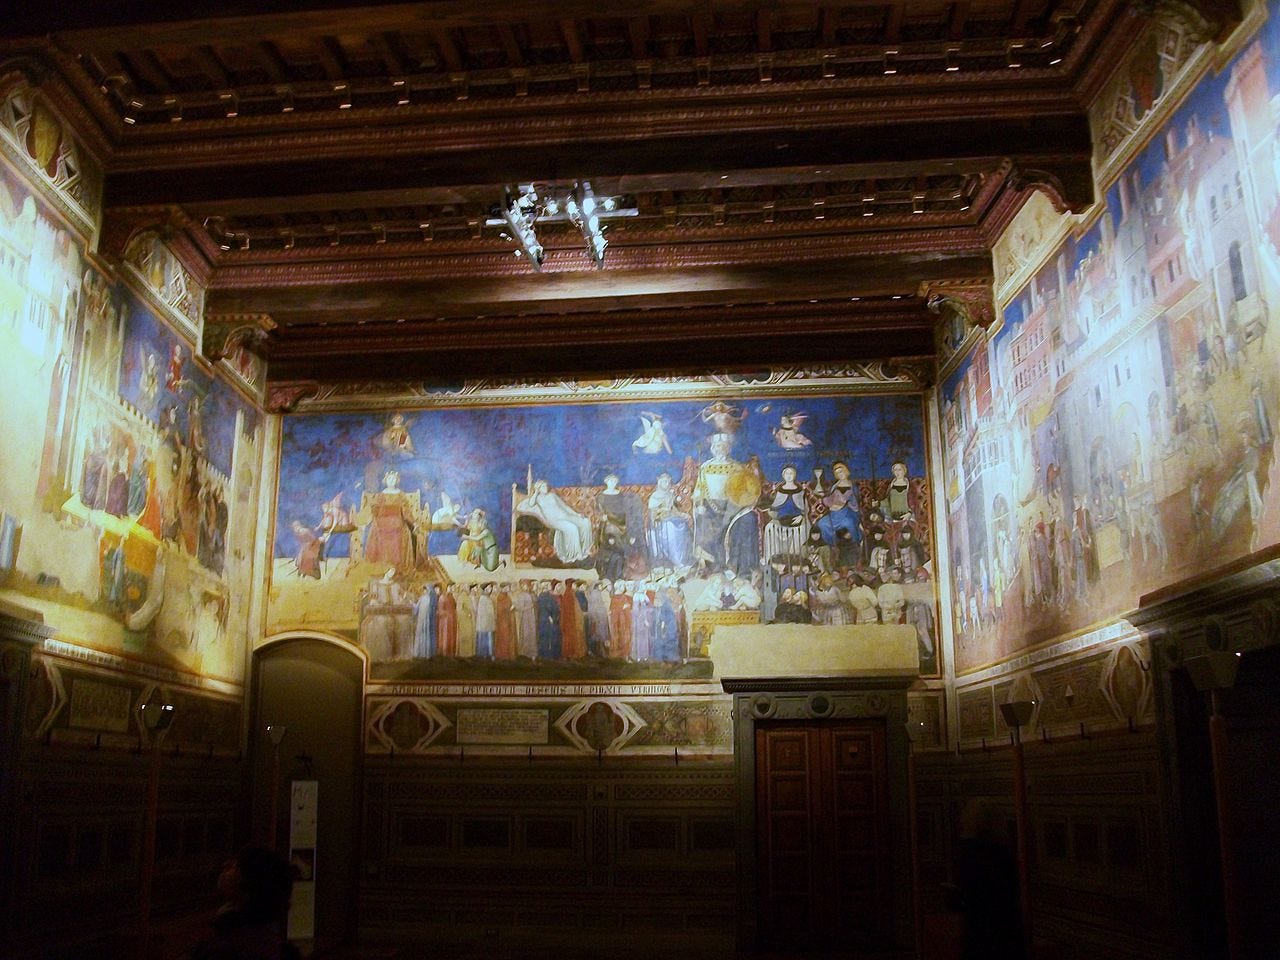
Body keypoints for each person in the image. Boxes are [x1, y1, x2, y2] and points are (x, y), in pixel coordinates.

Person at [181, 844, 299, 960]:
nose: (226, 865)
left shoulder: (236, 944)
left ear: (249, 886)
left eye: (236, 866)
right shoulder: (264, 934)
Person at [951, 799, 1025, 960]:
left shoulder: (967, 853)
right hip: (1005, 924)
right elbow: (1013, 890)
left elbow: (963, 893)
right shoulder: (1003, 853)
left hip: (978, 925)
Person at [515, 479, 593, 564]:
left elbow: (565, 506)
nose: (546, 487)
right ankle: (575, 555)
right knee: (572, 528)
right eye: (543, 486)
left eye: (546, 486)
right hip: (554, 520)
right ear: (538, 488)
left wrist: (576, 514)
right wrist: (536, 492)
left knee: (586, 522)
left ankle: (586, 550)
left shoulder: (552, 495)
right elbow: (530, 504)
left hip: (566, 515)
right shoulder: (538, 498)